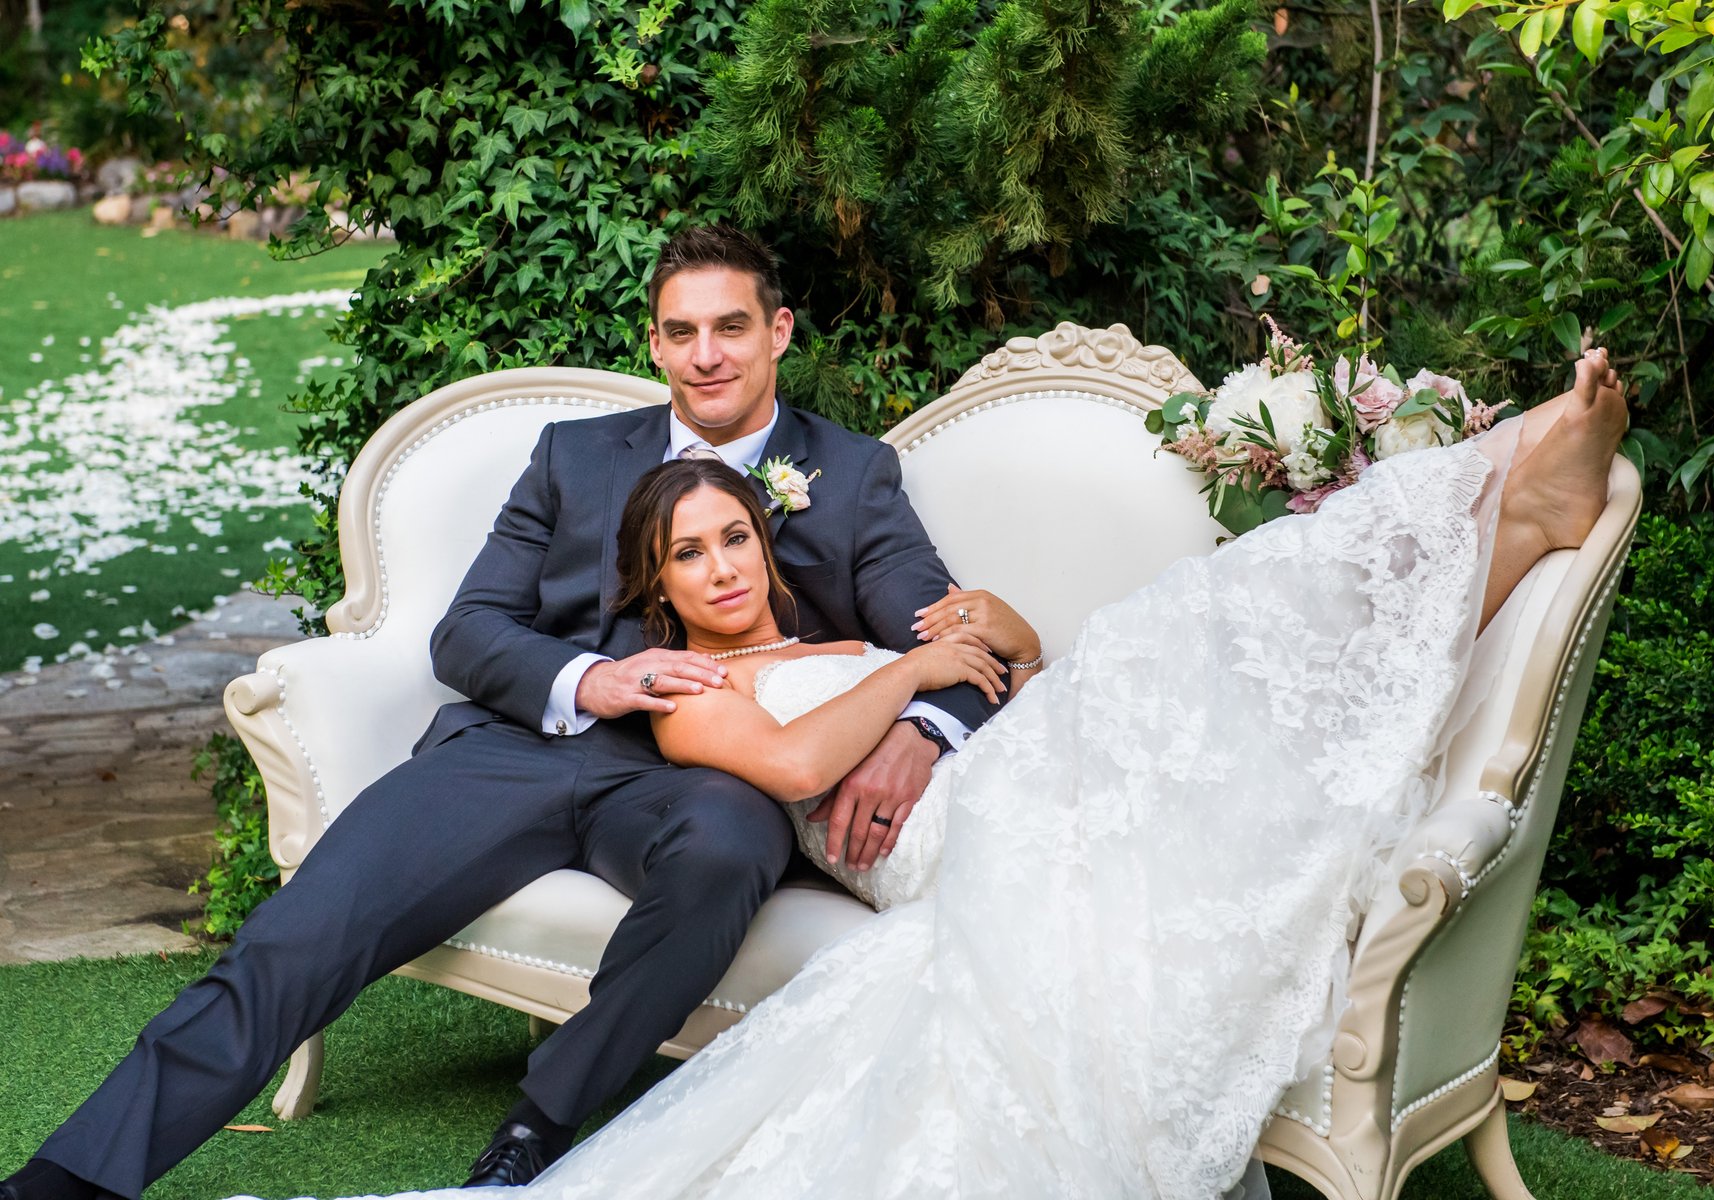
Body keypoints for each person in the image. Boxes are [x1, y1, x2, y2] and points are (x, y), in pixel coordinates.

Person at [275, 346, 1626, 1200]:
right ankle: (1515, 509)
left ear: (762, 543)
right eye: (689, 555)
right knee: (1219, 682)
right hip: (961, 847)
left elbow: (1018, 661)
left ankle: (1505, 501)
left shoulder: (841, 638)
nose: (723, 567)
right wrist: (916, 675)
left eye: (734, 538)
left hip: (1035, 763)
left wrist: (985, 632)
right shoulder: (693, 695)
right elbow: (797, 761)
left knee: (1200, 639)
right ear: (658, 587)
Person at [0, 225, 1007, 1200]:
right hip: (523, 748)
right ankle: (73, 1175)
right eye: (682, 332)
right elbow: (468, 630)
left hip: (710, 774)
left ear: (777, 332)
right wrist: (589, 680)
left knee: (727, 850)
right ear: (655, 345)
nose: (707, 356)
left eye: (731, 327)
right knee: (305, 930)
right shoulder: (573, 456)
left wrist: (921, 734)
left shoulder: (850, 477)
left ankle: (536, 1126)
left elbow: (962, 638)